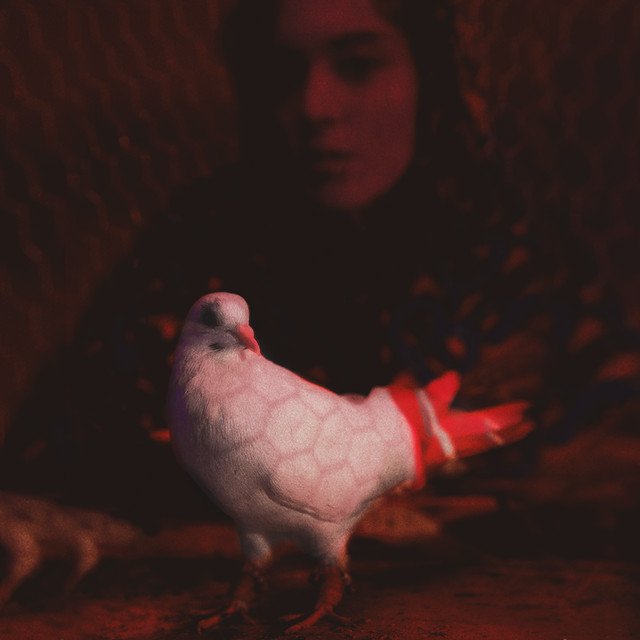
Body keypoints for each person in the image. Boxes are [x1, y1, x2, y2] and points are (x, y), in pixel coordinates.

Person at [3, 0, 637, 521]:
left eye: (358, 66)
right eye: (281, 73)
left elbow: (603, 462)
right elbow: (64, 459)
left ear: (429, 75)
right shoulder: (198, 246)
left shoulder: (514, 257)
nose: (314, 108)